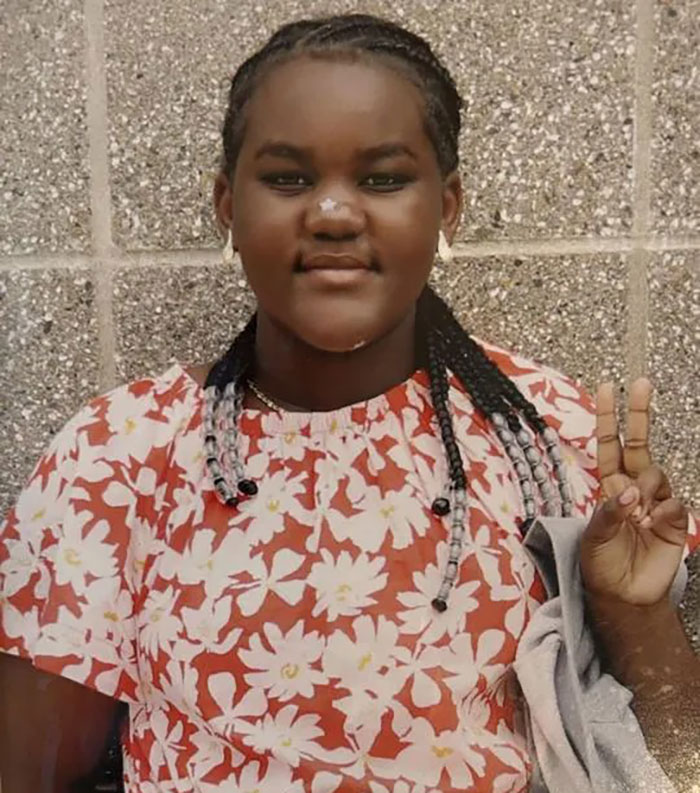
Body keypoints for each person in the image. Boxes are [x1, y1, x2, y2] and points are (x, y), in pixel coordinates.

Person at [0, 13, 698, 793]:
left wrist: (635, 613)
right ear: (227, 205)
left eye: (383, 179)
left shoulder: (543, 434)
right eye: (288, 178)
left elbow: (677, 770)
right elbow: (32, 771)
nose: (332, 214)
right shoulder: (118, 454)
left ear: (448, 207)